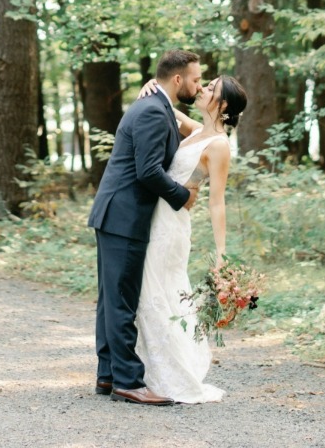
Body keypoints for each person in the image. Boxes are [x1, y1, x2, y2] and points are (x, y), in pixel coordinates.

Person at [87, 49, 204, 406]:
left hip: (117, 215)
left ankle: (108, 375)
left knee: (112, 300)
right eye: (196, 79)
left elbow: (199, 133)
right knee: (121, 301)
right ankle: (128, 382)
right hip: (124, 216)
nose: (199, 87)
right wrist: (182, 196)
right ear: (178, 79)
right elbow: (148, 170)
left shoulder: (157, 107)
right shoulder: (153, 110)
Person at [135, 73, 248, 404]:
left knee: (158, 292)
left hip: (171, 225)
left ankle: (166, 375)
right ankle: (147, 369)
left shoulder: (219, 146)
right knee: (155, 291)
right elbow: (166, 108)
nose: (202, 88)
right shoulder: (197, 132)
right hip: (155, 215)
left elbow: (217, 202)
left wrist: (221, 253)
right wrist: (150, 86)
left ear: (223, 104)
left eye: (211, 88)